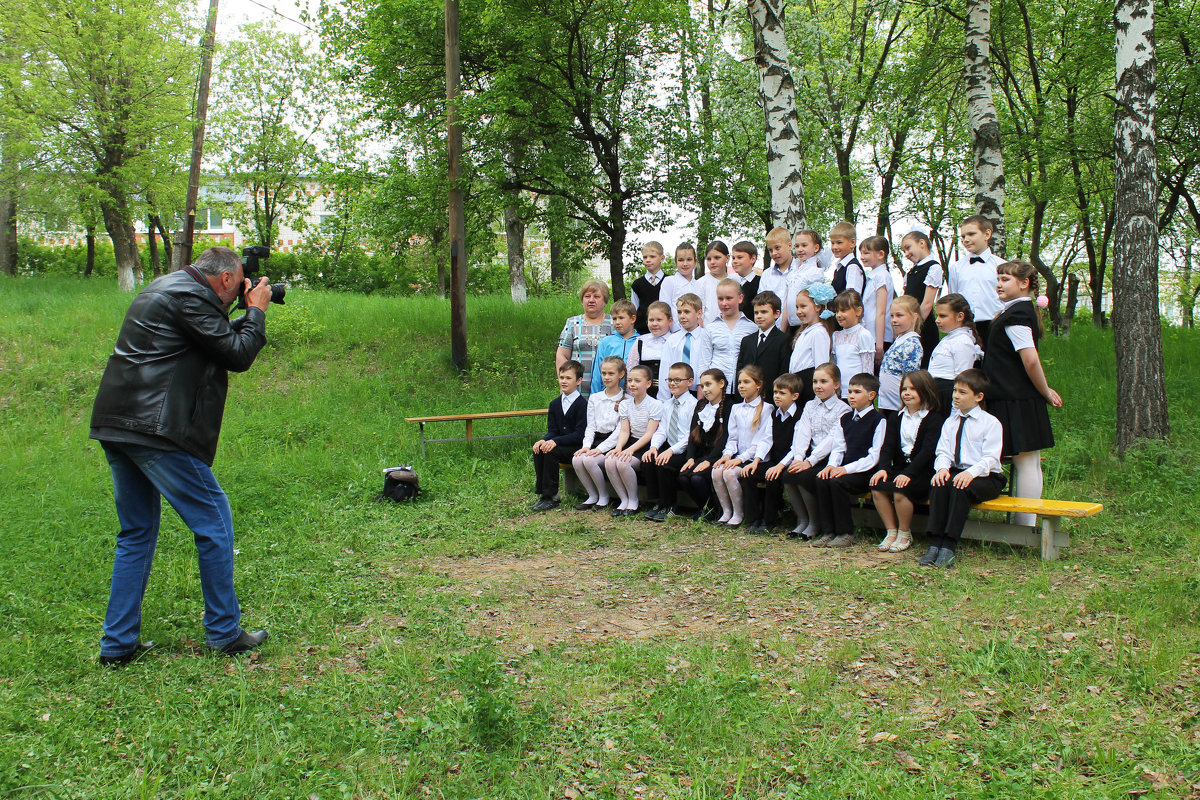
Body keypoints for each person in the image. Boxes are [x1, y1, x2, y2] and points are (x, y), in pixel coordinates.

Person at [90, 246, 272, 666]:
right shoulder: (189, 297)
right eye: (239, 282)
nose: (241, 288)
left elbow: (213, 342)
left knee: (135, 533)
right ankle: (224, 632)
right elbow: (238, 354)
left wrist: (242, 312)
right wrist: (256, 311)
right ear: (226, 279)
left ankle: (117, 646)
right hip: (153, 430)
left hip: (119, 423)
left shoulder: (167, 289)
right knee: (214, 521)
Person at [983, 260, 1063, 526]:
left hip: (1016, 399)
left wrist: (1045, 392)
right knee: (1028, 462)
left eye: (1005, 279)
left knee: (1027, 462)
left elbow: (1030, 360)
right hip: (1011, 397)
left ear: (1024, 283)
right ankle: (1024, 524)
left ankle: (1024, 526)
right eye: (999, 279)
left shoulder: (1018, 314)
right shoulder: (1016, 310)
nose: (999, 284)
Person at [920, 369, 1006, 569]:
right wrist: (942, 469)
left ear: (978, 397)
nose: (955, 396)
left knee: (959, 487)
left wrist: (969, 474)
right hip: (958, 473)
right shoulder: (951, 422)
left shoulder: (990, 423)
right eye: (955, 391)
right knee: (940, 484)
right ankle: (935, 542)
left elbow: (991, 458)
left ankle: (949, 545)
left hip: (987, 476)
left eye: (962, 392)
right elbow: (943, 451)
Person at [869, 370, 944, 552]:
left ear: (926, 391)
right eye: (904, 388)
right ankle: (891, 531)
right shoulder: (896, 417)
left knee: (901, 489)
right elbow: (888, 446)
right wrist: (884, 468)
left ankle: (904, 533)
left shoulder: (933, 419)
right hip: (901, 468)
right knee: (877, 485)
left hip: (922, 471)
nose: (907, 393)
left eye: (913, 389)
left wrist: (908, 474)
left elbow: (928, 451)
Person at [775, 363, 849, 540]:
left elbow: (832, 440)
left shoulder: (843, 409)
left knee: (804, 476)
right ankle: (803, 519)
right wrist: (799, 458)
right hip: (808, 457)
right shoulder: (810, 406)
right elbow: (803, 433)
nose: (818, 385)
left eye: (824, 381)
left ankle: (815, 523)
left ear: (837, 384)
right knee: (789, 474)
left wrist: (809, 462)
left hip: (830, 459)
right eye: (815, 381)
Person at [811, 372, 886, 548]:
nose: (851, 396)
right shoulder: (845, 419)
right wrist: (831, 466)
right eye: (850, 391)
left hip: (865, 471)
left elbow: (874, 456)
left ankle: (846, 532)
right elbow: (838, 448)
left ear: (871, 396)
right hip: (845, 469)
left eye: (857, 392)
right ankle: (829, 531)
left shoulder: (878, 420)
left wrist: (846, 469)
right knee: (822, 479)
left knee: (838, 483)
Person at [740, 372, 803, 534]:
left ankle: (770, 521)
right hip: (774, 460)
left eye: (782, 393)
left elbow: (797, 447)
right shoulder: (774, 414)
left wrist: (780, 466)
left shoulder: (800, 416)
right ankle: (754, 518)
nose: (777, 396)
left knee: (773, 476)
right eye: (775, 392)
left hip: (790, 462)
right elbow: (766, 439)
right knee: (749, 472)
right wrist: (755, 461)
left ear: (794, 396)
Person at [711, 366, 773, 527]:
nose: (741, 386)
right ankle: (727, 511)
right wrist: (727, 455)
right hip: (738, 456)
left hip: (756, 459)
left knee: (730, 474)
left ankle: (739, 513)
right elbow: (733, 438)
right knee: (717, 471)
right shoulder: (736, 408)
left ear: (758, 385)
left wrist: (739, 460)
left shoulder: (767, 409)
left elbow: (760, 441)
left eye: (746, 382)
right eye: (739, 382)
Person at [603, 365, 664, 516]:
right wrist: (619, 447)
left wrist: (630, 450)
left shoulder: (655, 405)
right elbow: (624, 431)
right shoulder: (625, 404)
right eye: (630, 380)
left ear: (648, 384)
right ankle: (623, 500)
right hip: (630, 442)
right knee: (610, 460)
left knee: (623, 464)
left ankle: (634, 501)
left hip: (646, 445)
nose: (632, 384)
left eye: (637, 381)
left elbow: (649, 434)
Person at [642, 363, 699, 521]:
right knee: (648, 460)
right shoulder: (667, 404)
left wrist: (670, 451)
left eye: (678, 380)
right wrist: (654, 447)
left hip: (685, 450)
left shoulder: (693, 405)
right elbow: (662, 430)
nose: (672, 383)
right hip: (670, 445)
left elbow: (689, 436)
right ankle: (659, 502)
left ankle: (671, 505)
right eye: (670, 380)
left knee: (665, 465)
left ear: (689, 381)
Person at [530, 362, 588, 511]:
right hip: (560, 444)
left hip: (576, 447)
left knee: (550, 451)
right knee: (540, 448)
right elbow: (553, 430)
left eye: (568, 378)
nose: (563, 381)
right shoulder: (555, 404)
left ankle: (552, 496)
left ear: (579, 381)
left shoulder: (583, 404)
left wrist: (555, 441)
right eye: (561, 377)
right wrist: (544, 439)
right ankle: (543, 495)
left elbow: (579, 434)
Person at [572, 356, 627, 511]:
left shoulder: (626, 400)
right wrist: (586, 446)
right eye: (604, 373)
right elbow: (590, 426)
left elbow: (620, 431)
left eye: (611, 373)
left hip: (614, 443)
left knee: (590, 461)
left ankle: (604, 497)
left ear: (621, 375)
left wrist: (600, 449)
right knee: (577, 459)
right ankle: (592, 495)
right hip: (596, 439)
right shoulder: (595, 398)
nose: (606, 377)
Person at [677, 369, 730, 519]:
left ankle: (713, 509)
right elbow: (692, 435)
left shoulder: (729, 406)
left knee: (697, 478)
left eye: (708, 384)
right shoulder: (701, 405)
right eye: (702, 386)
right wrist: (690, 458)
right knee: (683, 477)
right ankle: (704, 508)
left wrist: (709, 460)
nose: (705, 390)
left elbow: (726, 437)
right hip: (701, 456)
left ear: (721, 384)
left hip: (717, 456)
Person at [946, 215, 1004, 346]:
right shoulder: (956, 268)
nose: (966, 240)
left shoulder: (1001, 266)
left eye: (971, 234)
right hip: (966, 328)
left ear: (987, 234)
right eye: (963, 236)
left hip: (995, 326)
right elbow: (954, 299)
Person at [556, 280, 613, 398]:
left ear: (605, 301)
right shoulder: (572, 323)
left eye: (596, 296)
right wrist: (564, 384)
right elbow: (562, 355)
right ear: (582, 300)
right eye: (587, 296)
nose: (591, 300)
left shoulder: (614, 323)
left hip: (607, 388)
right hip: (576, 388)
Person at [927, 293, 982, 415]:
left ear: (960, 316)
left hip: (946, 396)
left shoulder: (963, 342)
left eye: (943, 316)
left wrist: (955, 414)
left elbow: (962, 379)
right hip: (937, 395)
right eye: (937, 315)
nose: (937, 320)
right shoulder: (949, 339)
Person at [899, 231, 943, 367]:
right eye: (904, 250)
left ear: (922, 243)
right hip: (908, 324)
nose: (906, 253)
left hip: (923, 326)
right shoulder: (910, 273)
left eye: (908, 247)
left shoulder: (933, 268)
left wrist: (915, 327)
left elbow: (927, 304)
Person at [788, 283, 837, 406]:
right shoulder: (804, 332)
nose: (799, 311)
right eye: (797, 307)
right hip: (798, 384)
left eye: (803, 306)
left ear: (818, 307)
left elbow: (821, 365)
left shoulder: (819, 332)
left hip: (809, 384)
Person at [708, 277, 759, 396]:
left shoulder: (752, 328)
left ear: (740, 298)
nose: (724, 303)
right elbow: (704, 362)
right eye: (720, 299)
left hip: (742, 388)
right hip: (716, 389)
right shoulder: (710, 329)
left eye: (729, 298)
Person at [736, 291, 790, 399]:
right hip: (747, 398)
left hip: (770, 397)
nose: (759, 316)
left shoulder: (784, 340)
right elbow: (739, 369)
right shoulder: (747, 340)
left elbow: (783, 371)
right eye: (756, 313)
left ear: (777, 313)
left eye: (764, 312)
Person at [877, 296, 924, 414]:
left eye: (899, 315)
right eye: (892, 316)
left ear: (914, 316)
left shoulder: (912, 343)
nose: (894, 320)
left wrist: (905, 403)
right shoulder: (899, 340)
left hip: (898, 405)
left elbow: (910, 376)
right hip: (887, 403)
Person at [830, 289, 875, 395]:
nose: (839, 315)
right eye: (837, 311)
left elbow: (867, 369)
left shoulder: (863, 334)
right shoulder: (836, 335)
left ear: (858, 311)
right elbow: (835, 363)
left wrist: (863, 392)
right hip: (841, 392)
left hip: (857, 393)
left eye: (843, 310)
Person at [859, 235, 895, 365]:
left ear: (881, 254)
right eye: (861, 253)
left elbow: (881, 311)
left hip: (878, 336)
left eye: (866, 253)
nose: (862, 257)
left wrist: (879, 344)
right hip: (870, 334)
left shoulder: (882, 277)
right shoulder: (873, 277)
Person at [665, 293, 713, 392]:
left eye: (687, 312)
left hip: (700, 391)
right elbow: (665, 369)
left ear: (699, 313)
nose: (682, 316)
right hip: (675, 390)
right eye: (679, 312)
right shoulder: (672, 340)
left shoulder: (707, 337)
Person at [626, 301, 673, 399]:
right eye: (651, 320)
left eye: (659, 320)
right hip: (644, 395)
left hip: (669, 394)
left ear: (670, 321)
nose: (655, 324)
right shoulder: (641, 341)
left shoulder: (675, 341)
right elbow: (631, 369)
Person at [590, 299, 638, 394]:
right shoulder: (606, 342)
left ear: (632, 319)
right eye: (614, 318)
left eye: (621, 318)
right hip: (608, 395)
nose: (617, 322)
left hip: (634, 395)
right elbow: (597, 372)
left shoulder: (640, 341)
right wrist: (595, 397)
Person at [760, 227, 798, 333]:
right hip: (772, 328)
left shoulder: (799, 270)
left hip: (795, 327)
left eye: (778, 248)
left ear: (790, 245)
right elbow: (762, 301)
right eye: (770, 250)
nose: (774, 253)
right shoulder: (767, 275)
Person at [659, 242, 698, 332]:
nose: (685, 264)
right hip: (674, 332)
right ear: (675, 261)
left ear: (695, 261)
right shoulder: (669, 281)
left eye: (689, 259)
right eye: (681, 260)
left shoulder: (698, 284)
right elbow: (664, 309)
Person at [630, 241, 666, 335]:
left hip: (665, 332)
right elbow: (634, 308)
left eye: (652, 256)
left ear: (662, 258)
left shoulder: (670, 281)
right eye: (645, 257)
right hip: (642, 332)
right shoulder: (637, 284)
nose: (648, 260)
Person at [695, 240, 731, 324]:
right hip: (709, 331)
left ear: (727, 258)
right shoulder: (701, 283)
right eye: (709, 259)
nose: (712, 262)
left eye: (717, 258)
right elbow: (698, 313)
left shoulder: (735, 280)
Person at [828, 221, 864, 295]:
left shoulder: (852, 268)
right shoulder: (839, 268)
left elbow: (852, 298)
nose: (835, 247)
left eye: (839, 243)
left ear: (852, 243)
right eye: (832, 243)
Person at [730, 241, 762, 319]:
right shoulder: (731, 283)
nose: (735, 261)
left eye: (739, 257)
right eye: (733, 258)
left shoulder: (761, 283)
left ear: (753, 259)